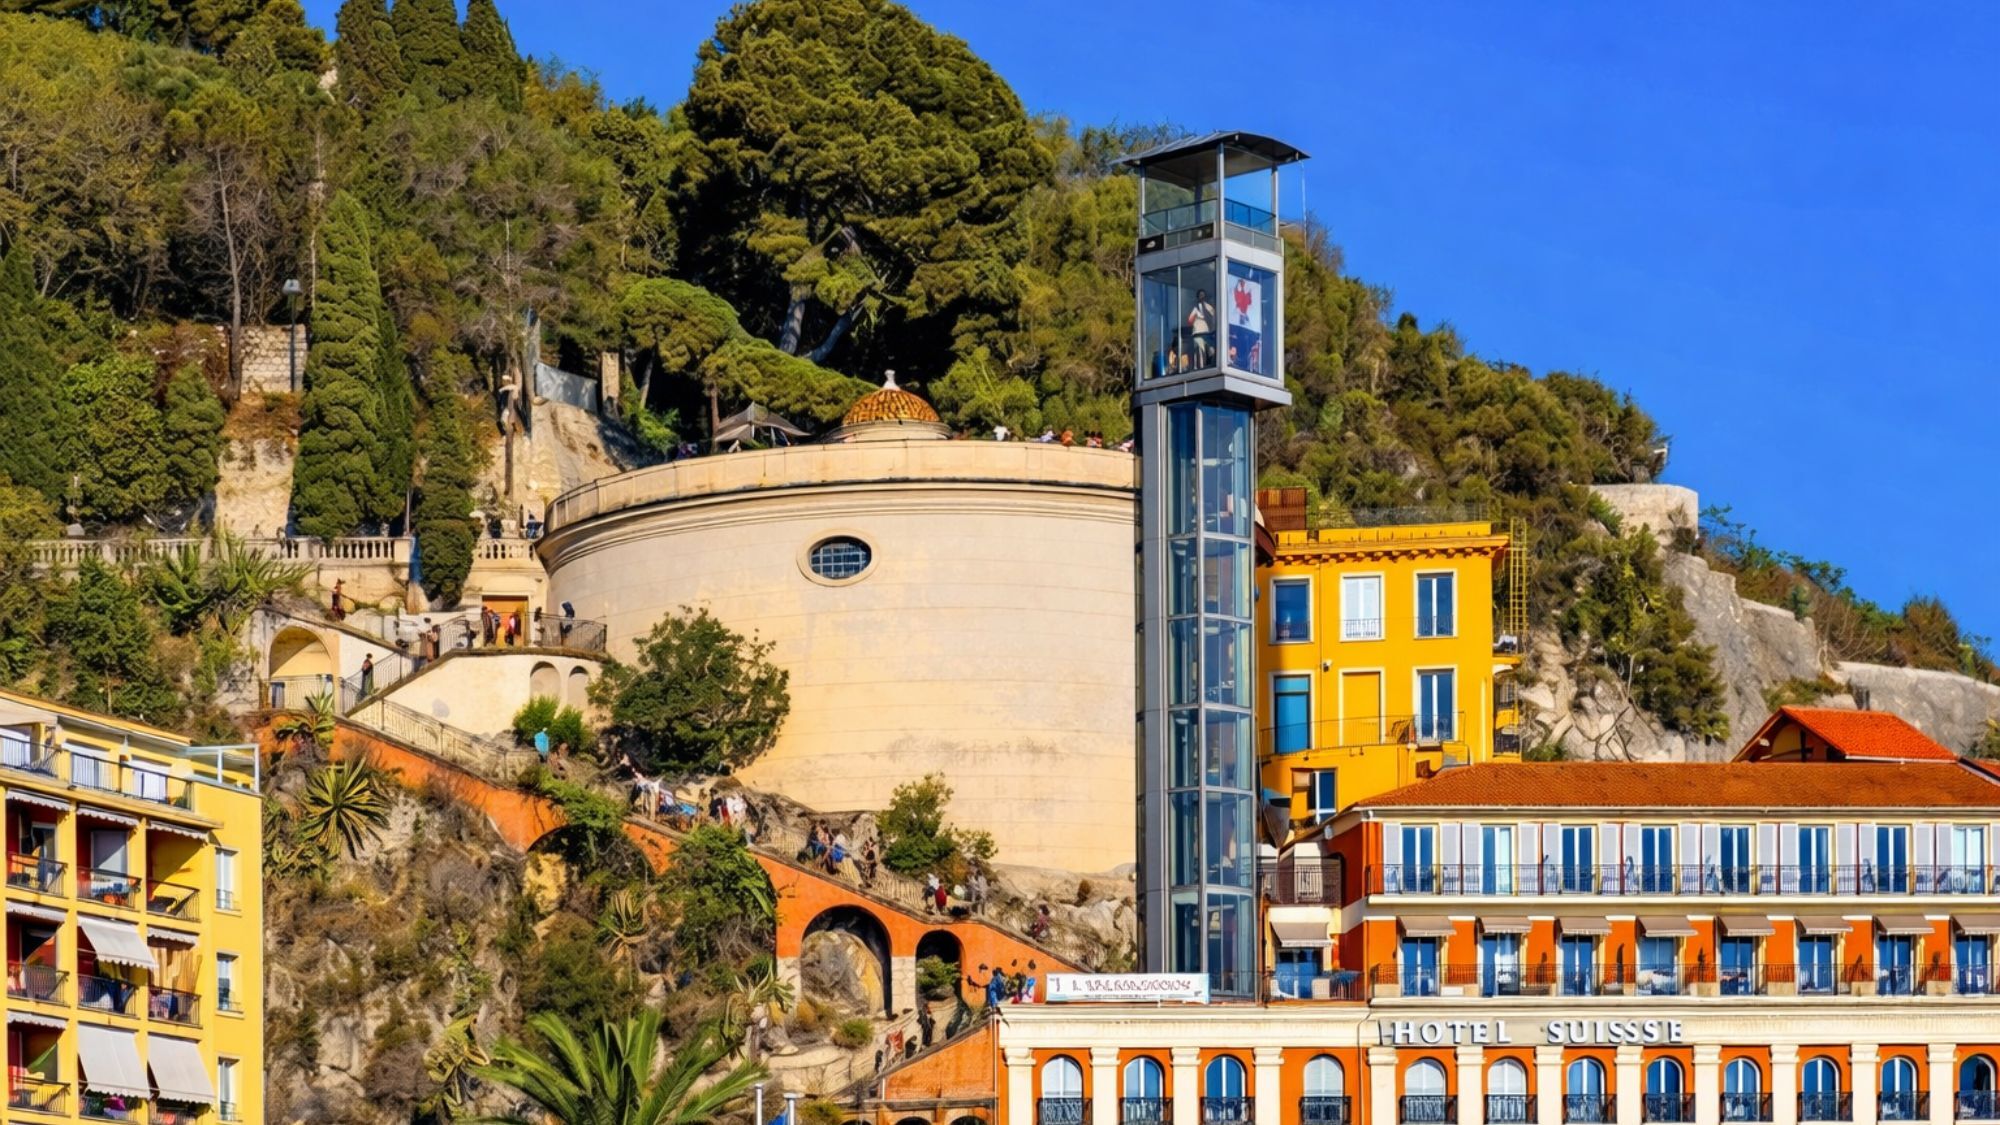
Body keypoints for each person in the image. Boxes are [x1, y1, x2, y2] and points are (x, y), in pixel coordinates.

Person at [1187, 288, 1215, 366]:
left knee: (1210, 349)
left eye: (1203, 295)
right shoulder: (1195, 308)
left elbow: (1214, 314)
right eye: (1200, 295)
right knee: (1199, 350)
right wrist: (1196, 316)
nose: (1202, 297)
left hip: (1206, 331)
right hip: (1198, 331)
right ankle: (1200, 366)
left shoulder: (1207, 306)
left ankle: (1209, 363)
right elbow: (1189, 320)